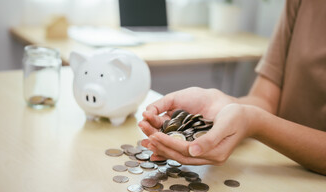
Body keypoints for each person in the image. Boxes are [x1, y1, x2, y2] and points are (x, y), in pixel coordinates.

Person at [138, 0, 326, 175]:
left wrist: (255, 122)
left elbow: (256, 118)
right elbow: (266, 100)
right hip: (276, 168)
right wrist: (224, 104)